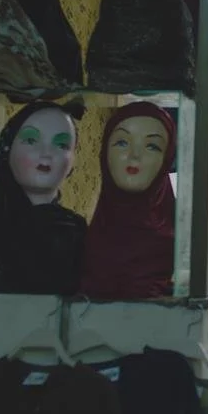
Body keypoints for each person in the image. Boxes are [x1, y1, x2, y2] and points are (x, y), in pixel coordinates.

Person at [79, 101, 177, 299]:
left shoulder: (181, 238)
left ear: (166, 159)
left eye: (152, 146)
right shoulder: (77, 236)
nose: (134, 156)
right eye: (122, 143)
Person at [0, 100, 86, 295]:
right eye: (31, 140)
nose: (46, 154)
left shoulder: (77, 232)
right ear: (7, 148)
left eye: (61, 145)